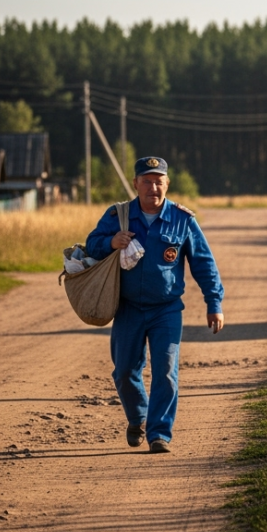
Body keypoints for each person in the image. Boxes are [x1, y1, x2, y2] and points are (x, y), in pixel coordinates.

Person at [85, 156, 224, 453]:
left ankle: (159, 434)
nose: (153, 187)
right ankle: (139, 417)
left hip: (166, 309)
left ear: (167, 184)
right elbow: (91, 244)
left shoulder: (182, 219)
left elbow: (203, 263)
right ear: (135, 184)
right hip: (128, 307)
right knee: (124, 371)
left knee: (165, 371)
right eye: (146, 181)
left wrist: (214, 302)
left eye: (158, 181)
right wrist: (111, 243)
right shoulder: (118, 215)